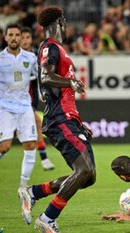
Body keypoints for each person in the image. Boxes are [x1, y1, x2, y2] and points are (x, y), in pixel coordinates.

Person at [18, 6, 96, 233]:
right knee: (83, 171)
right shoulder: (51, 48)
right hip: (60, 118)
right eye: (65, 22)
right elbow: (46, 76)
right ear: (61, 22)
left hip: (68, 117)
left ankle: (33, 192)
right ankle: (47, 219)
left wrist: (79, 123)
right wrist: (70, 82)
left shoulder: (57, 49)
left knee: (87, 176)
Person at [0, 24, 37, 189]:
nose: (14, 38)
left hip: (25, 107)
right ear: (5, 37)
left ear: (21, 37)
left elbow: (41, 76)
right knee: (4, 147)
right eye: (10, 35)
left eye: (17, 35)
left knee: (30, 145)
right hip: (5, 108)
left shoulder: (31, 58)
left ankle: (23, 186)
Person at [21, 27, 55, 171]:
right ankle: (44, 159)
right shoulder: (11, 57)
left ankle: (44, 159)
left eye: (27, 37)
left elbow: (41, 76)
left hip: (30, 99)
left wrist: (43, 91)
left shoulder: (36, 55)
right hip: (15, 100)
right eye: (22, 37)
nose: (24, 40)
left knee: (35, 126)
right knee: (36, 124)